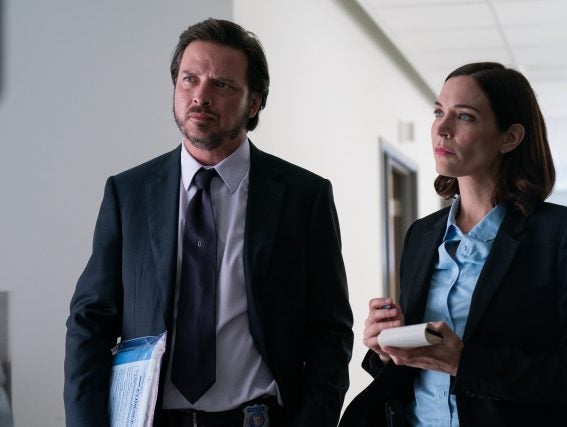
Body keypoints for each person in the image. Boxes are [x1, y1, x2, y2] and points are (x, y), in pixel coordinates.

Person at [64, 18, 353, 427]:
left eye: (222, 85)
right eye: (189, 79)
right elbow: (90, 321)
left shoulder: (303, 197)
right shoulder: (128, 194)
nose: (200, 96)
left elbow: (329, 331)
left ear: (253, 103)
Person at [339, 62, 567, 427]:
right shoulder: (422, 234)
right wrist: (388, 348)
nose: (442, 128)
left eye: (464, 116)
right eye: (438, 112)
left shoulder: (564, 234)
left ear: (510, 137)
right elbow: (419, 372)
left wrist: (464, 362)